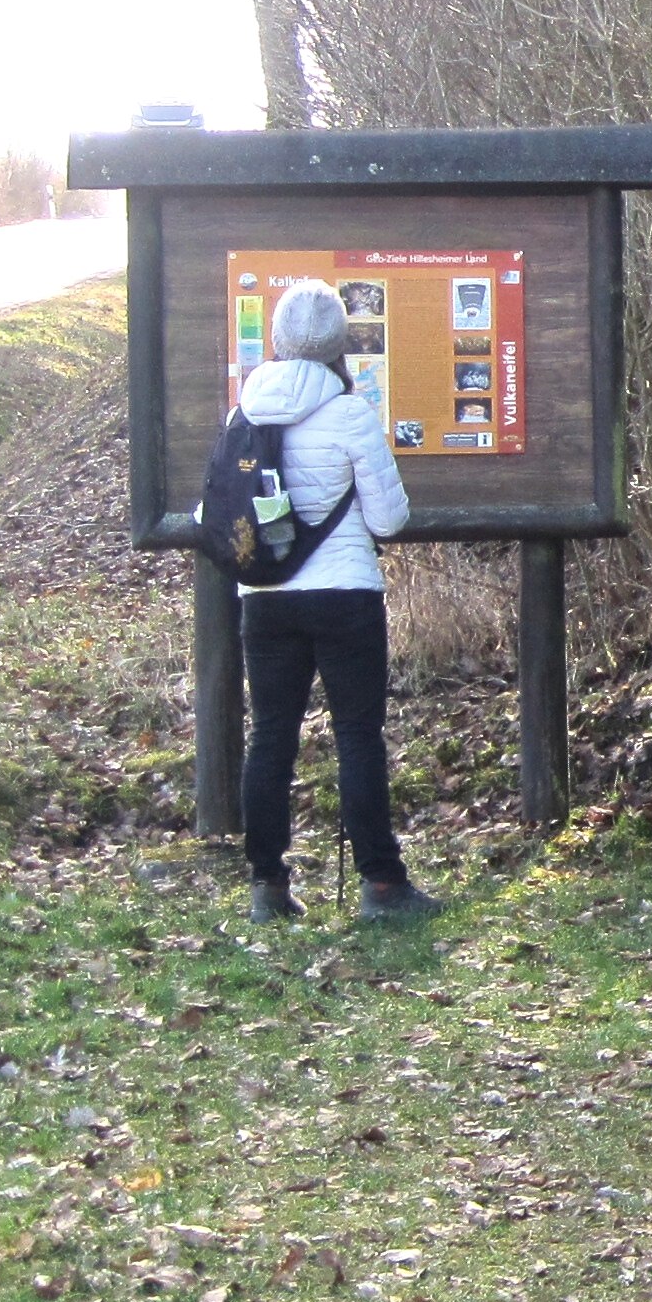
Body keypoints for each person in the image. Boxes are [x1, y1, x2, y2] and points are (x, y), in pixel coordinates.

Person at [235, 279, 436, 924]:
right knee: (356, 735)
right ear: (337, 344)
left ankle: (267, 886)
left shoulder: (245, 413)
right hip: (344, 594)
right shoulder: (350, 413)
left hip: (265, 597)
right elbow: (389, 520)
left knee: (271, 735)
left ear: (277, 339)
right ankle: (382, 884)